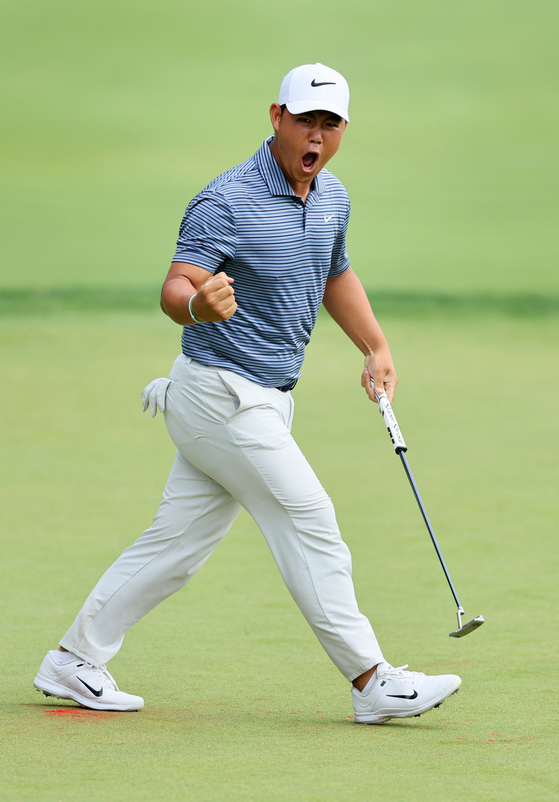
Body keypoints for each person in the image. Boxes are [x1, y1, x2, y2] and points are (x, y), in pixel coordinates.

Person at [34, 63, 461, 724]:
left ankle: (73, 658)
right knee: (309, 517)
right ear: (275, 118)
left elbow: (333, 272)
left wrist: (375, 347)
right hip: (220, 396)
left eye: (330, 123)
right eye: (304, 121)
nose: (315, 135)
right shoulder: (226, 199)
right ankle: (371, 679)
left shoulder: (332, 197)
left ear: (342, 130)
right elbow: (175, 288)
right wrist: (200, 305)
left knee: (174, 549)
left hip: (259, 401)